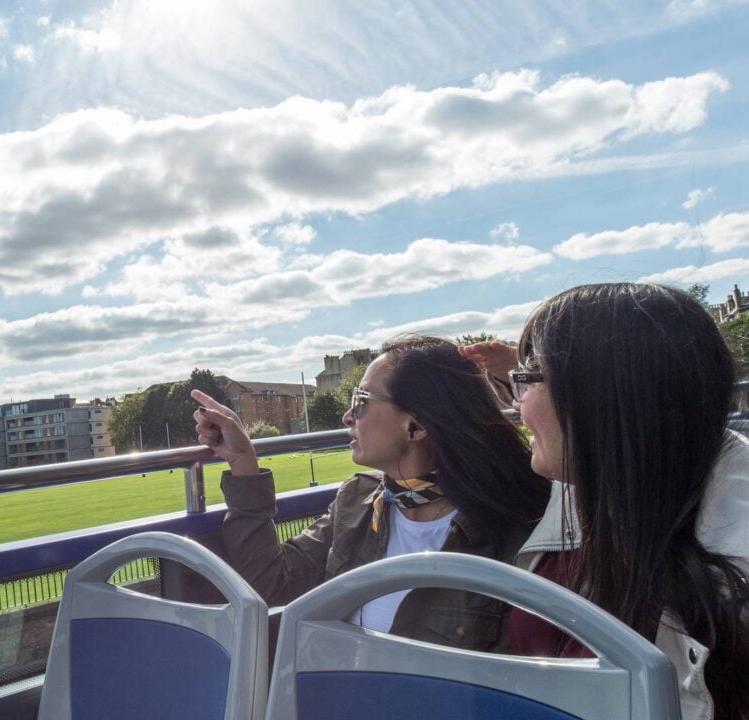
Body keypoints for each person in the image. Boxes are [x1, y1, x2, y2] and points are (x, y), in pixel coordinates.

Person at [461, 283, 749, 720]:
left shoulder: (732, 562)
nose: (516, 409)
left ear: (597, 393)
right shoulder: (606, 486)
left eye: (525, 382)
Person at [192, 336, 549, 651]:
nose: (347, 416)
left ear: (417, 426)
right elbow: (273, 582)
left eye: (360, 401)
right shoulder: (357, 500)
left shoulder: (515, 526)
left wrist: (527, 380)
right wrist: (243, 462)